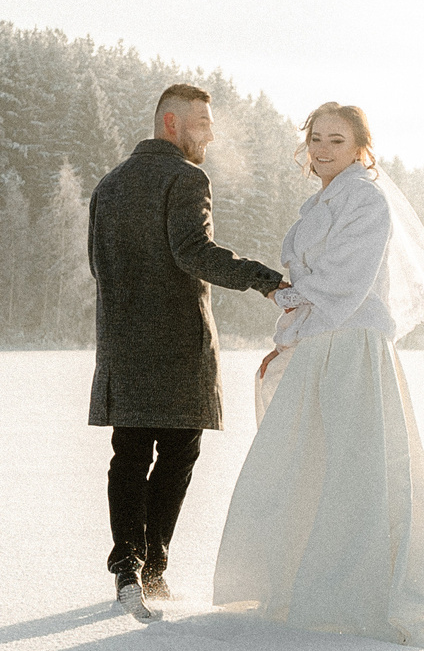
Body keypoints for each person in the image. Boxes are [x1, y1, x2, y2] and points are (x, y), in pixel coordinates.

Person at [211, 102, 424, 644]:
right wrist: (290, 340)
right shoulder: (322, 202)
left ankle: (357, 594)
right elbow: (321, 286)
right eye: (316, 139)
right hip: (322, 342)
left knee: (356, 470)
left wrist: (290, 302)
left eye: (336, 140)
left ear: (360, 147)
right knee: (307, 463)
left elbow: (346, 282)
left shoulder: (366, 199)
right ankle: (304, 586)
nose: (323, 149)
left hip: (352, 348)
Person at [87, 83, 288, 623]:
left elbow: (98, 267)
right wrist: (264, 280)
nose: (211, 133)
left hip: (123, 347)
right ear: (170, 124)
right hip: (176, 346)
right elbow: (192, 251)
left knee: (128, 455)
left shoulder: (108, 186)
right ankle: (151, 568)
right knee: (176, 456)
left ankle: (129, 568)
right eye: (202, 122)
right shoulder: (186, 177)